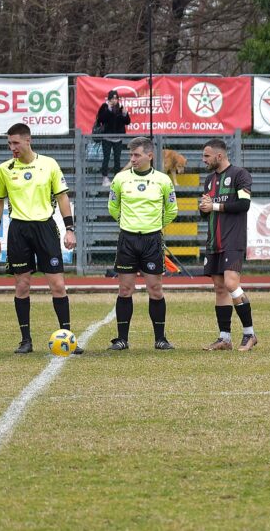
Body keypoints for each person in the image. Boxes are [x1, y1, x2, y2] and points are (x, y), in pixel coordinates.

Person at [0, 123, 77, 354]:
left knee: (58, 285)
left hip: (45, 228)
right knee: (22, 286)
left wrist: (69, 229)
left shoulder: (49, 164)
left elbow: (62, 198)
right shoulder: (4, 169)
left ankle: (68, 338)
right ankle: (25, 340)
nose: (12, 147)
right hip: (19, 230)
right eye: (9, 143)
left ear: (27, 141)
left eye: (15, 143)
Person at [107, 137, 178, 351]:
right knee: (125, 289)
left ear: (149, 155)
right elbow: (112, 206)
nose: (133, 159)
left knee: (155, 289)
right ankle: (122, 339)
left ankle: (160, 339)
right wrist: (126, 223)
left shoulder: (163, 180)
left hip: (152, 240)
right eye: (131, 155)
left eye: (136, 155)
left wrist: (155, 226)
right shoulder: (120, 179)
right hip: (127, 239)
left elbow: (172, 210)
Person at [198, 138, 258, 352]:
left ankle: (250, 334)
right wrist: (204, 208)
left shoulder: (240, 175)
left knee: (231, 284)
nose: (203, 159)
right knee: (219, 288)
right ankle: (224, 338)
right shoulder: (208, 180)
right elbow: (207, 210)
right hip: (214, 240)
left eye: (207, 156)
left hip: (233, 239)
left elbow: (244, 204)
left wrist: (213, 205)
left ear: (219, 156)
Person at [94, 89, 130, 186]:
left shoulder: (120, 108)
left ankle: (117, 179)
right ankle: (105, 178)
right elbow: (101, 119)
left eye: (116, 98)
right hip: (107, 138)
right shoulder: (104, 107)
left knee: (117, 159)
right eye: (113, 98)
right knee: (106, 158)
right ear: (109, 99)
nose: (114, 100)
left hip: (118, 138)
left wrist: (125, 114)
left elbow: (127, 122)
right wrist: (109, 110)